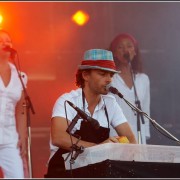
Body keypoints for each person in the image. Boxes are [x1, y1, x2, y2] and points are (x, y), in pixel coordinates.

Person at [45, 49, 137, 178]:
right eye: (102, 74)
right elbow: (58, 137)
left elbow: (131, 140)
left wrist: (116, 147)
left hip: (94, 173)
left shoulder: (111, 103)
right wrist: (99, 149)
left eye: (111, 75)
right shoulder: (67, 101)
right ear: (85, 75)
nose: (109, 80)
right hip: (63, 172)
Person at [109, 33, 151, 144]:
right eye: (120, 47)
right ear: (114, 53)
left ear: (135, 51)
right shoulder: (110, 78)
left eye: (129, 46)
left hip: (139, 134)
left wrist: (145, 134)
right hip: (117, 134)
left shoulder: (143, 79)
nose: (125, 50)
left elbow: (145, 110)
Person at [0, 29, 28, 178]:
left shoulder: (20, 76)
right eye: (0, 41)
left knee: (17, 176)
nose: (5, 43)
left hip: (9, 138)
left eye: (8, 41)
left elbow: (21, 109)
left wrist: (22, 136)